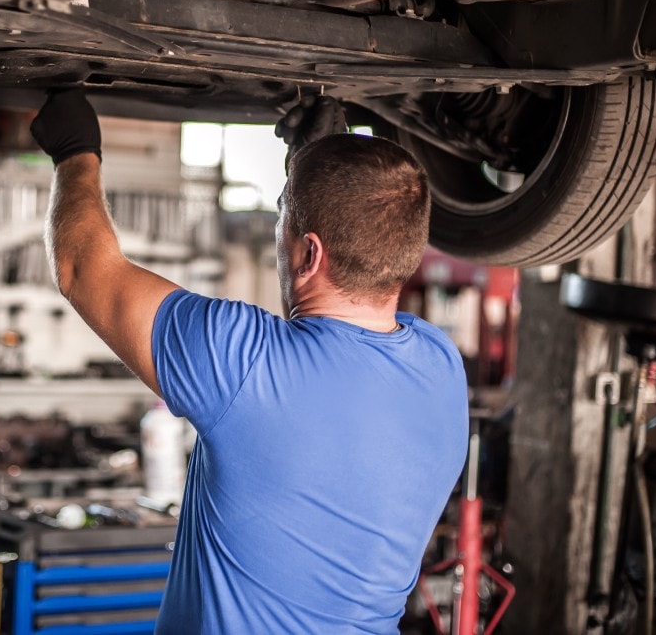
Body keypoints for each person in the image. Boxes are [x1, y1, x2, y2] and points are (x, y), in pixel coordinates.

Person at [29, 89, 469, 634]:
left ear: (309, 253)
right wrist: (316, 161)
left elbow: (81, 267)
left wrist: (75, 150)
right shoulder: (441, 367)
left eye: (281, 221)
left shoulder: (239, 363)